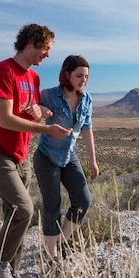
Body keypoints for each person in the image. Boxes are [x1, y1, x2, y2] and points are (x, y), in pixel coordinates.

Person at [0, 23, 72, 278]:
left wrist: (40, 112)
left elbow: (25, 112)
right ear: (31, 42)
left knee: (14, 215)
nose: (47, 55)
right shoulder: (3, 71)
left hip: (20, 154)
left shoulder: (33, 78)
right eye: (45, 49)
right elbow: (6, 119)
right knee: (24, 209)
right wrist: (46, 129)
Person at [33, 55, 98, 259]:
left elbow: (87, 130)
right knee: (52, 205)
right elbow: (31, 110)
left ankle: (61, 241)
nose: (83, 80)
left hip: (69, 157)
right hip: (47, 157)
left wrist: (93, 161)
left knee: (83, 201)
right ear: (67, 74)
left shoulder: (86, 100)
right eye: (79, 76)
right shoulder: (49, 95)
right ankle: (51, 257)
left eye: (86, 77)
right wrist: (40, 110)